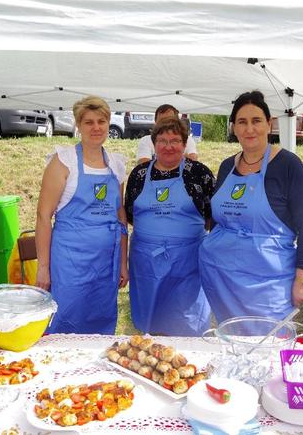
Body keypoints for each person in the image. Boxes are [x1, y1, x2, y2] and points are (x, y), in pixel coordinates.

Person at [199, 91, 303, 322]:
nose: (249, 129)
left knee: (268, 347)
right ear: (233, 127)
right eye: (242, 122)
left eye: (256, 121)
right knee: (229, 344)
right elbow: (219, 221)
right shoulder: (226, 167)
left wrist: (302, 279)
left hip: (268, 283)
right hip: (222, 278)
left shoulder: (288, 165)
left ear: (269, 123)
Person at [35, 96, 128, 335]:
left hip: (106, 263)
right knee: (65, 317)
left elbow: (121, 218)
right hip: (70, 263)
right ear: (78, 125)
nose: (96, 127)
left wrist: (123, 263)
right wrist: (43, 268)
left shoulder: (116, 165)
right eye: (89, 122)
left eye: (102, 121)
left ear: (109, 124)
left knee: (100, 319)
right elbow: (43, 216)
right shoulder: (63, 162)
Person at [125, 116, 214, 336]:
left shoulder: (199, 173)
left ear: (185, 144)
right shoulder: (139, 174)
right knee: (149, 323)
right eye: (162, 140)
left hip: (188, 263)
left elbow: (213, 217)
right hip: (146, 261)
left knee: (185, 322)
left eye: (175, 140)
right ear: (153, 144)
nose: (168, 146)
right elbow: (129, 213)